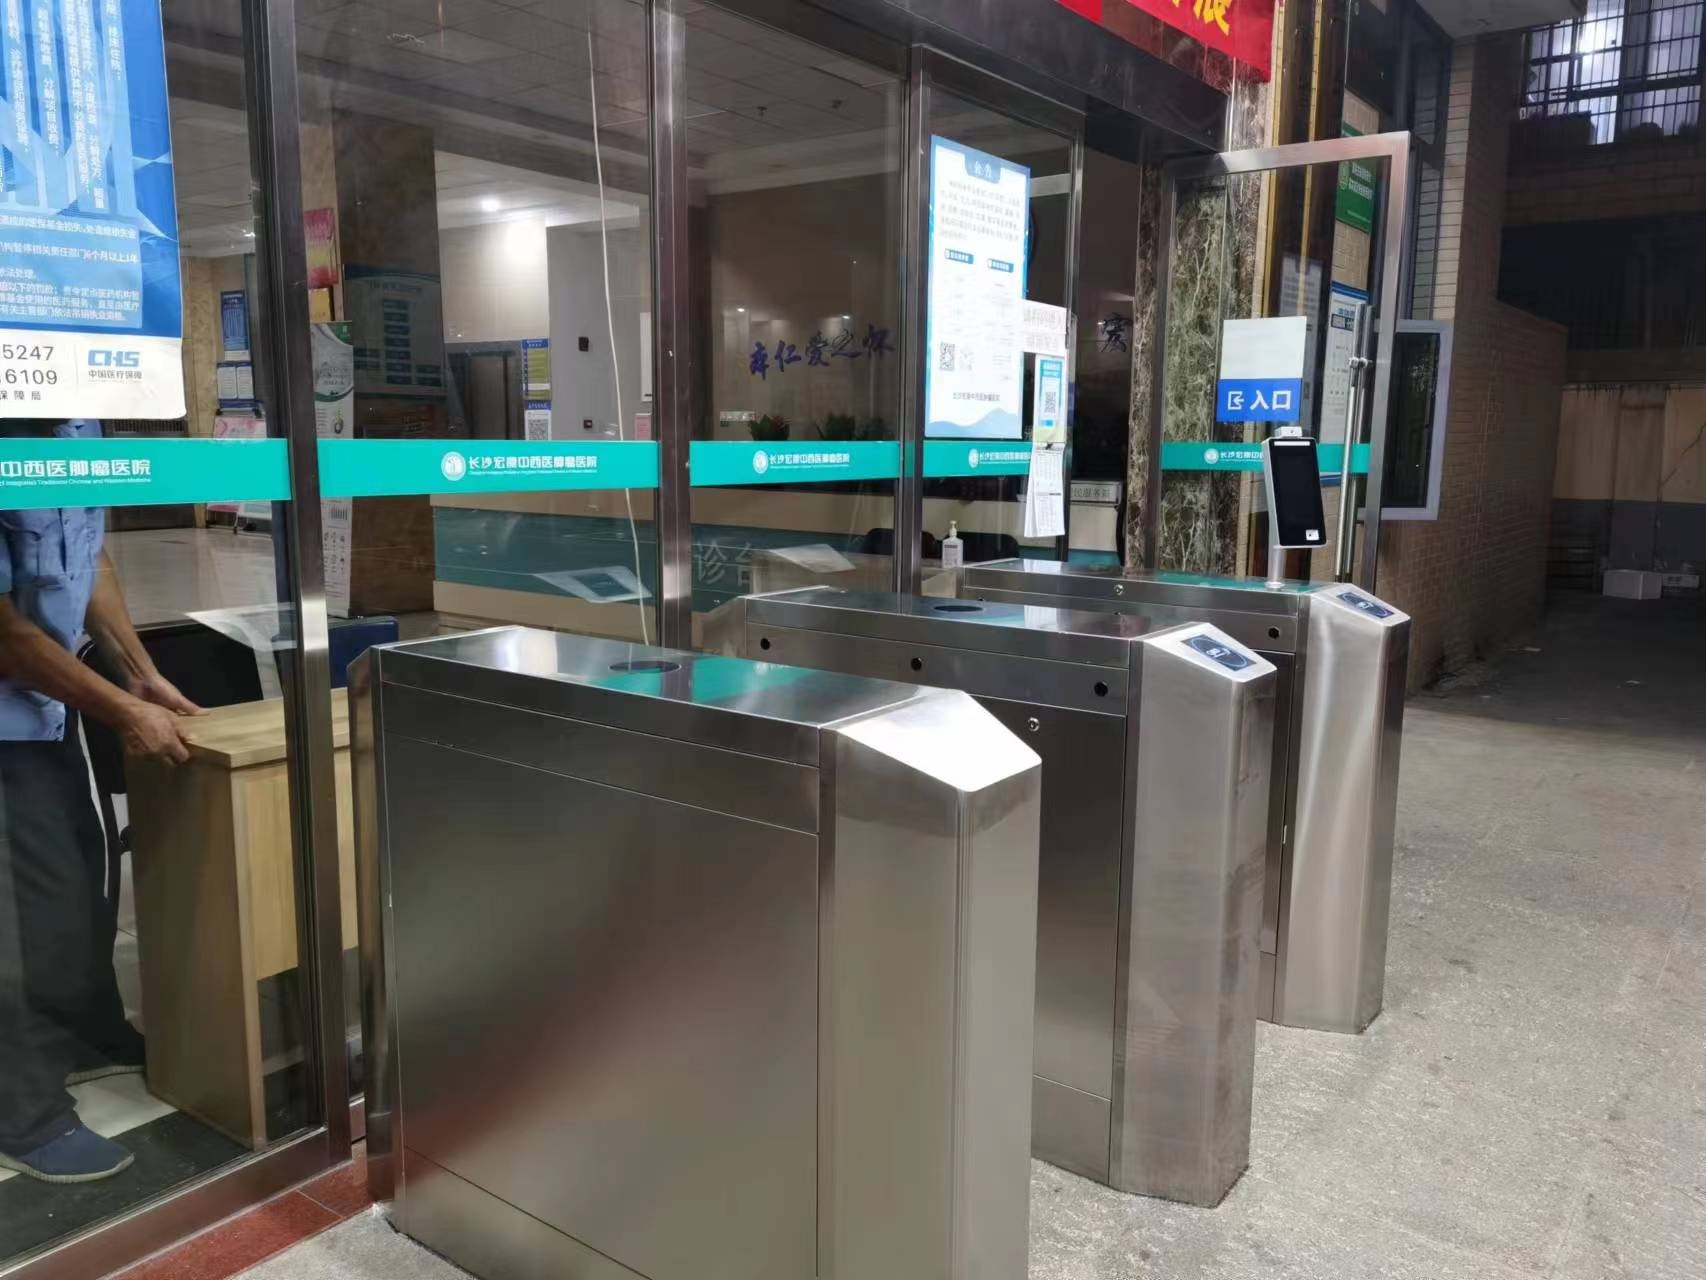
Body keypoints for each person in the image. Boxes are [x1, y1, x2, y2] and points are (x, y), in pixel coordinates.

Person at [0, 418, 203, 1183]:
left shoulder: (75, 420)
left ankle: (84, 1030)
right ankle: (22, 1112)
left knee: (83, 880)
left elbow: (88, 553)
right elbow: (5, 633)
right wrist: (120, 710)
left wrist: (139, 672)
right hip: (8, 705)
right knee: (20, 919)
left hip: (46, 706)